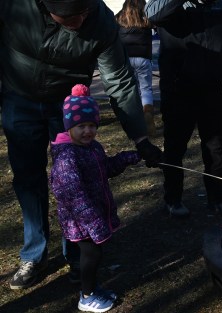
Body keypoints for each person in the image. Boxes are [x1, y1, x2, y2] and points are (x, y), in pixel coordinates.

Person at [0, 0, 163, 290]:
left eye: (84, 11)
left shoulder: (99, 21)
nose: (80, 20)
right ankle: (34, 255)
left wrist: (140, 138)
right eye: (70, 16)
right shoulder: (15, 6)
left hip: (67, 108)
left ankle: (78, 253)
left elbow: (121, 81)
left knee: (80, 179)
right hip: (19, 96)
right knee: (27, 178)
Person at [145, 0, 222, 217]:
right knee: (175, 148)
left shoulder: (220, 7)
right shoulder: (171, 5)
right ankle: (173, 199)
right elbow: (152, 15)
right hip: (178, 90)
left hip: (212, 90)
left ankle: (218, 197)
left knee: (215, 148)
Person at [50, 84, 141, 312]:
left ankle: (92, 288)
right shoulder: (67, 156)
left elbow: (105, 168)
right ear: (69, 126)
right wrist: (94, 224)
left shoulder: (91, 147)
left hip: (93, 216)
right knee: (91, 255)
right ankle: (87, 296)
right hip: (81, 220)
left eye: (92, 125)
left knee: (95, 255)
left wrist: (131, 157)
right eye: (81, 126)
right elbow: (74, 195)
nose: (87, 131)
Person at [116, 0, 156, 137]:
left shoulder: (119, 19)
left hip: (126, 58)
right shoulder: (146, 20)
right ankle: (148, 115)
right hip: (143, 58)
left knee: (129, 90)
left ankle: (132, 119)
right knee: (145, 89)